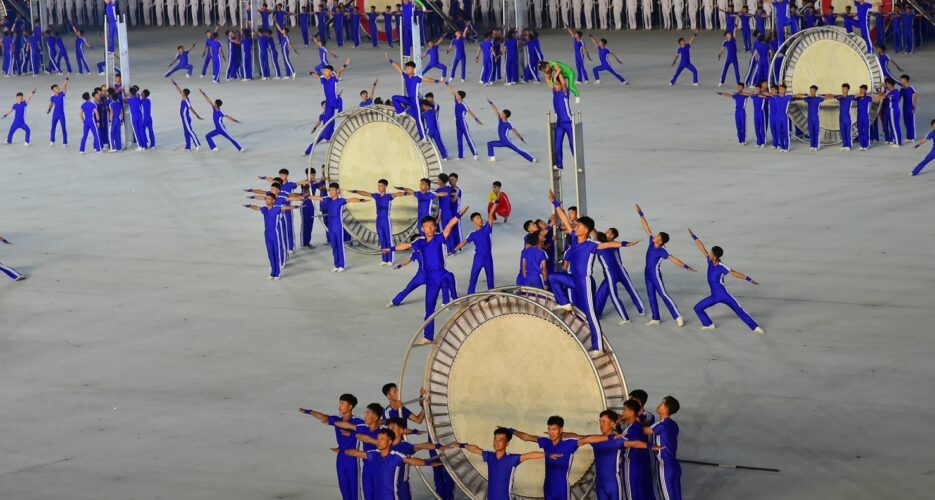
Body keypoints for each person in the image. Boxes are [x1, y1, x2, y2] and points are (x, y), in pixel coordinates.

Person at [549, 192, 639, 354]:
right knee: (553, 277)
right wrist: (555, 203)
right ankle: (564, 302)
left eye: (578, 226)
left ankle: (598, 347)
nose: (575, 228)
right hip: (573, 279)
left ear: (587, 230)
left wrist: (626, 243)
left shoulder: (592, 244)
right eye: (575, 226)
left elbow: (609, 245)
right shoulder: (575, 239)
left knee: (590, 315)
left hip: (585, 282)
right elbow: (563, 218)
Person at [388, 209, 468, 342]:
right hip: (429, 278)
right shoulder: (419, 243)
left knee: (450, 277)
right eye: (426, 226)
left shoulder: (439, 238)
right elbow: (405, 245)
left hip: (441, 274)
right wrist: (390, 249)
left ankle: (455, 298)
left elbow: (449, 226)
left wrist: (459, 215)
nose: (429, 228)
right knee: (429, 308)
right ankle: (428, 336)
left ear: (435, 227)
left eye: (432, 226)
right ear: (422, 228)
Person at [510, 416, 615, 499]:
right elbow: (527, 437)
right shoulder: (545, 442)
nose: (551, 432)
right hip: (548, 488)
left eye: (554, 429)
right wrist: (512, 431)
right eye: (549, 429)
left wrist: (609, 437)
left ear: (561, 429)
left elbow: (588, 439)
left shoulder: (569, 444)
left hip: (562, 489)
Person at [688, 228, 765, 333]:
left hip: (724, 295)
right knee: (697, 308)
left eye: (711, 254)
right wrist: (694, 237)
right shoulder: (709, 261)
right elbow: (702, 248)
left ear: (715, 257)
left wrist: (748, 279)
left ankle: (755, 327)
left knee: (739, 310)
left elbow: (734, 272)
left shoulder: (722, 266)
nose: (709, 254)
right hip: (714, 296)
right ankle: (708, 324)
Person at [635, 204, 696, 327]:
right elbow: (646, 227)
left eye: (657, 236)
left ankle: (678, 316)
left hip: (655, 274)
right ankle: (655, 318)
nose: (655, 236)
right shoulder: (652, 242)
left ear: (661, 241)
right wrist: (640, 213)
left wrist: (686, 267)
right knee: (651, 294)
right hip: (647, 272)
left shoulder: (663, 250)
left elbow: (674, 259)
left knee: (663, 294)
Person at [299, 395, 366, 500]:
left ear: (350, 406)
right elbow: (323, 417)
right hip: (341, 458)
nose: (340, 406)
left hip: (353, 458)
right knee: (344, 488)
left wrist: (351, 434)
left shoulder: (358, 422)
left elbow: (369, 432)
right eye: (340, 403)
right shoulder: (337, 420)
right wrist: (308, 411)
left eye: (343, 403)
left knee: (355, 490)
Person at [342, 428, 441, 500]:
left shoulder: (396, 456)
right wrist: (345, 451)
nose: (378, 442)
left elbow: (411, 461)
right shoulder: (374, 455)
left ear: (389, 442)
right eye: (378, 439)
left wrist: (430, 463)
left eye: (382, 439)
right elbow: (356, 453)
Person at [459, 428, 546, 500]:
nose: (496, 442)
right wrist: (462, 445)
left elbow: (529, 455)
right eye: (495, 439)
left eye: (500, 440)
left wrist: (548, 454)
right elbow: (476, 449)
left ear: (507, 443)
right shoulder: (489, 456)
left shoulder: (512, 459)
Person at [308, 183, 370, 272]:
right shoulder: (327, 199)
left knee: (339, 245)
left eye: (333, 190)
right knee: (333, 246)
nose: (331, 192)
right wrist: (307, 197)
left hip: (338, 226)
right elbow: (316, 197)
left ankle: (342, 265)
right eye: (330, 190)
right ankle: (336, 265)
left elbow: (351, 199)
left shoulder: (341, 201)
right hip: (331, 226)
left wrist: (361, 200)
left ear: (337, 191)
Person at [349, 181, 409, 266]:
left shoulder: (389, 196)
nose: (379, 187)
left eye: (381, 185)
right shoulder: (376, 196)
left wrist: (407, 192)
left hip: (386, 220)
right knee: (382, 240)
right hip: (379, 220)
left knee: (388, 240)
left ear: (385, 186)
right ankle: (384, 259)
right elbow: (365, 193)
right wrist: (355, 191)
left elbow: (398, 194)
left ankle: (390, 260)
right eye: (378, 185)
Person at [595, 227, 645, 323]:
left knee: (630, 289)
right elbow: (597, 235)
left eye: (608, 232)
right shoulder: (604, 243)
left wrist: (628, 244)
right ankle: (597, 312)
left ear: (612, 235)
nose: (606, 233)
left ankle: (641, 309)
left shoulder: (612, 243)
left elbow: (619, 243)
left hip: (620, 271)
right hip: (611, 273)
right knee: (602, 292)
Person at [386, 56, 443, 140]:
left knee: (418, 118)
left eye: (408, 68)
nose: (406, 70)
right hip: (409, 99)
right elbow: (398, 69)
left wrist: (438, 81)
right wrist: (390, 60)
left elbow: (427, 79)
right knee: (394, 98)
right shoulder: (406, 76)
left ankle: (423, 137)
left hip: (415, 100)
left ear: (413, 69)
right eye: (406, 68)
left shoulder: (417, 77)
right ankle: (401, 112)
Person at [244, 193, 299, 279]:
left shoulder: (276, 209)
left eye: (269, 199)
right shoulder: (264, 210)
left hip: (275, 234)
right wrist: (249, 206)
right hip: (267, 234)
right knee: (270, 254)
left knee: (276, 253)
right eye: (266, 199)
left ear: (273, 201)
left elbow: (285, 207)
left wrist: (296, 207)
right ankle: (272, 273)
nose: (267, 200)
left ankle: (277, 273)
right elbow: (257, 208)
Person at [454, 204, 498, 294]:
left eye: (480, 218)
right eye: (477, 218)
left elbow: (491, 214)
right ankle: (470, 295)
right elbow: (464, 242)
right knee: (473, 277)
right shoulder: (473, 234)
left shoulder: (487, 228)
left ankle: (491, 294)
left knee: (490, 278)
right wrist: (454, 249)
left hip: (488, 258)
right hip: (478, 258)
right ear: (473, 222)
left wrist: (496, 203)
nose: (480, 220)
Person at [646, 396, 683, 500]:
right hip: (674, 465)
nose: (659, 405)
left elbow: (644, 431)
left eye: (662, 404)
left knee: (667, 497)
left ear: (666, 409)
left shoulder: (662, 424)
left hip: (664, 464)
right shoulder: (674, 424)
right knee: (676, 496)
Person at [446, 84, 482, 160]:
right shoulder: (456, 101)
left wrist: (476, 119)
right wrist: (447, 84)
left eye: (457, 94)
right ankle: (460, 156)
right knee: (459, 139)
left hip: (462, 123)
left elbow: (470, 111)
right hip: (457, 123)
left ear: (460, 97)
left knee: (468, 138)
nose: (456, 95)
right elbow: (452, 92)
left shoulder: (463, 104)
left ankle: (475, 153)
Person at [171, 80, 204, 151]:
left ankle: (197, 144)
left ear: (185, 94)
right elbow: (179, 90)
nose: (181, 92)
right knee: (186, 132)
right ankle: (188, 146)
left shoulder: (186, 100)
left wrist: (197, 116)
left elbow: (191, 108)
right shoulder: (183, 97)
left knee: (189, 131)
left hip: (186, 118)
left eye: (182, 92)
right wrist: (175, 84)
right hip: (184, 118)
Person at [792, 85, 825, 151]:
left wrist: (822, 95)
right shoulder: (808, 99)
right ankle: (812, 145)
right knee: (811, 131)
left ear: (815, 91)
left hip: (815, 117)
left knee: (816, 131)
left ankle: (816, 145)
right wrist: (804, 94)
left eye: (813, 90)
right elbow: (797, 97)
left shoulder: (818, 99)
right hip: (809, 117)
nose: (811, 91)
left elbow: (828, 97)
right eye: (810, 90)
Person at [830, 83, 856, 151]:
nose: (843, 90)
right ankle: (844, 144)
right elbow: (832, 96)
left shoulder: (850, 97)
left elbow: (859, 95)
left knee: (847, 132)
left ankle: (849, 145)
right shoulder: (840, 98)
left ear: (847, 89)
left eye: (844, 89)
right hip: (841, 118)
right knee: (842, 132)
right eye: (842, 88)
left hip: (847, 117)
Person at [46, 77, 68, 148]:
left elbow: (64, 86)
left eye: (58, 87)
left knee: (63, 127)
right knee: (53, 127)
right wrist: (49, 109)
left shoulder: (62, 94)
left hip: (61, 114)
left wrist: (66, 79)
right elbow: (51, 103)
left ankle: (65, 142)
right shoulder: (52, 97)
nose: (58, 88)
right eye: (56, 88)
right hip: (55, 114)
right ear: (53, 90)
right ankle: (52, 141)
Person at [900, 74, 917, 143]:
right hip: (904, 108)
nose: (901, 81)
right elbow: (898, 98)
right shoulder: (902, 89)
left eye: (901, 80)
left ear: (905, 80)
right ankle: (908, 137)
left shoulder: (911, 88)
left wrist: (913, 107)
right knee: (906, 122)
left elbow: (915, 97)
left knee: (911, 122)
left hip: (910, 108)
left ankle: (912, 137)